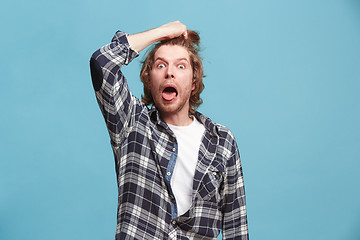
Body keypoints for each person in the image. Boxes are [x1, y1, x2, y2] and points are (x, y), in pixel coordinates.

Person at [89, 21, 248, 239]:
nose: (170, 73)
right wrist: (161, 33)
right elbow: (102, 63)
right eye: (160, 66)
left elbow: (236, 227)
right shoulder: (132, 122)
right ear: (148, 80)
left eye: (180, 66)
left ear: (194, 81)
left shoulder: (221, 141)